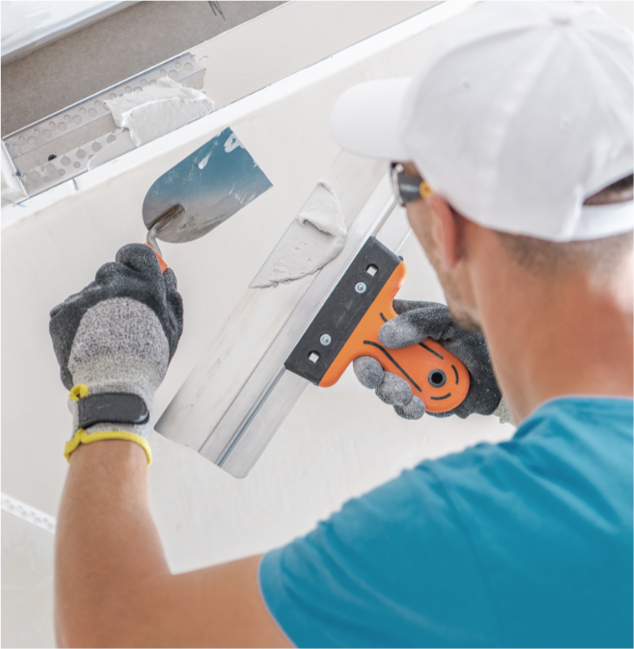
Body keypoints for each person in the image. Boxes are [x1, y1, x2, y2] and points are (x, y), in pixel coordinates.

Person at [50, 1, 634, 647]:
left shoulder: (483, 527)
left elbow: (120, 632)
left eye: (403, 180)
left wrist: (110, 394)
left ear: (445, 227)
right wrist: (506, 378)